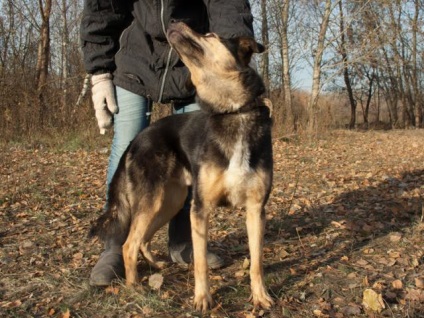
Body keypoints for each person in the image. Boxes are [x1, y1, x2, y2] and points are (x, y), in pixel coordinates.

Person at [81, 0, 256, 287]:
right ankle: (115, 245)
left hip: (192, 60)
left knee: (195, 156)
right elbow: (103, 7)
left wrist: (232, 51)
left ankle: (183, 241)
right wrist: (100, 71)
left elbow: (229, 5)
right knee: (126, 141)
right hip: (136, 57)